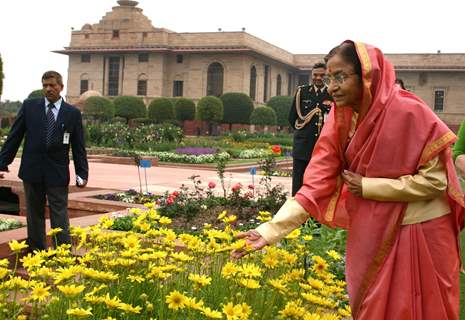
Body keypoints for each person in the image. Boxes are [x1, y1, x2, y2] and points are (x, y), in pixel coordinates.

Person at [233, 41, 465, 319]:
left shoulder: (408, 111)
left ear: (367, 77)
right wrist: (269, 231)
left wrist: (369, 186)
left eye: (340, 77)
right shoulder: (340, 121)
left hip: (423, 231)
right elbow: (315, 185)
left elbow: (436, 182)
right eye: (330, 78)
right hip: (377, 229)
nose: (331, 87)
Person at [0, 71, 88, 251]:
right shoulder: (29, 107)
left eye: (52, 85)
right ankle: (37, 252)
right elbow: (14, 137)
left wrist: (82, 173)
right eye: (45, 85)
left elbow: (78, 146)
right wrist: (2, 162)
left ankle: (62, 254)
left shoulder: (72, 113)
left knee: (59, 214)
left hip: (57, 171)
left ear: (61, 87)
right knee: (34, 214)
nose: (48, 89)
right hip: (32, 170)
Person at [288, 62, 333, 196]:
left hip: (322, 147)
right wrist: (302, 134)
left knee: (319, 182)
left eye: (322, 75)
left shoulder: (331, 93)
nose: (318, 78)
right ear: (311, 75)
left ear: (327, 76)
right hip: (303, 146)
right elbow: (292, 118)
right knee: (298, 184)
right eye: (315, 75)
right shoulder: (302, 92)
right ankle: (296, 212)